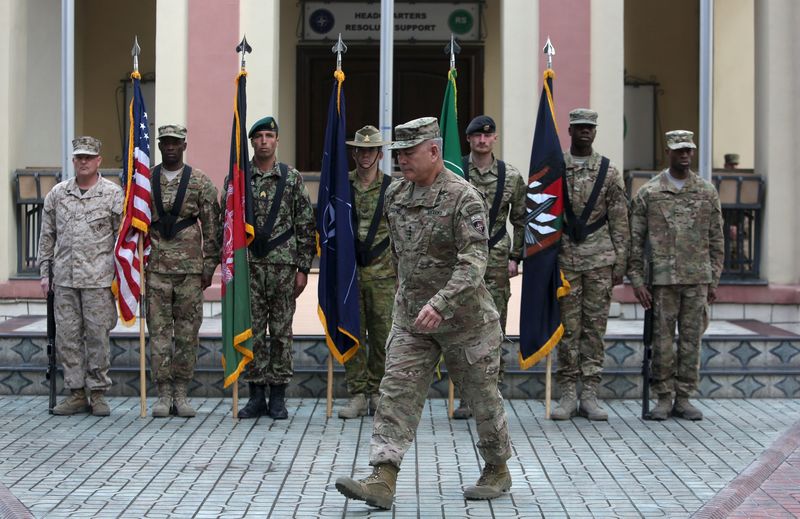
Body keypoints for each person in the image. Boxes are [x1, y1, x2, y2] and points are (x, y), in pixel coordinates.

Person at [335, 117, 512, 510]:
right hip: (413, 318)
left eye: (408, 153)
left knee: (482, 398)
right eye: (397, 154)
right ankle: (383, 477)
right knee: (395, 392)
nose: (400, 162)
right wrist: (410, 298)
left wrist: (442, 302)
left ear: (433, 151)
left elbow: (473, 262)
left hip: (466, 320)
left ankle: (497, 467)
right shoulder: (396, 195)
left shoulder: (463, 198)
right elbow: (401, 254)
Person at [628, 130, 724, 421]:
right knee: (662, 341)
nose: (685, 154)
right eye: (679, 150)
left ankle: (684, 397)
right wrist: (636, 280)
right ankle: (663, 397)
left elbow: (717, 239)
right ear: (668, 152)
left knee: (692, 341)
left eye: (689, 150)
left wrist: (713, 280)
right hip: (662, 281)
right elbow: (636, 240)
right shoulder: (650, 192)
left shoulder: (706, 191)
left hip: (697, 279)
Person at [550, 109, 630, 421]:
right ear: (570, 130)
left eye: (590, 128)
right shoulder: (556, 167)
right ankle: (568, 392)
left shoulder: (608, 171)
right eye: (580, 127)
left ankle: (590, 393)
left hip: (599, 260)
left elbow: (620, 219)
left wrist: (620, 262)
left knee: (595, 329)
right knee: (568, 329)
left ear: (595, 132)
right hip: (566, 259)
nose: (585, 132)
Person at [37, 136, 124, 416]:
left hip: (98, 280)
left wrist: (122, 275)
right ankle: (76, 393)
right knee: (68, 338)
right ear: (73, 161)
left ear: (99, 160)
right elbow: (46, 236)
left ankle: (97, 393)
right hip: (64, 279)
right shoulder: (58, 194)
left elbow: (121, 238)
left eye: (89, 157)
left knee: (98, 337)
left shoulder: (112, 194)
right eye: (79, 157)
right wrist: (44, 273)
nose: (83, 161)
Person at [236, 116, 316, 420]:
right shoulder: (240, 179)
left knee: (281, 332)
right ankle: (256, 395)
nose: (264, 141)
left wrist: (303, 268)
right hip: (250, 269)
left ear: (277, 140)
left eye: (270, 135)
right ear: (252, 142)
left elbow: (305, 225)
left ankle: (279, 396)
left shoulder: (291, 178)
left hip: (283, 267)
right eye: (259, 136)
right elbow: (227, 225)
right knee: (254, 332)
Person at [453, 115, 526, 420]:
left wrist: (516, 256)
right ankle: (466, 398)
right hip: (460, 261)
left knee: (494, 328)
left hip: (496, 259)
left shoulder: (510, 176)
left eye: (488, 136)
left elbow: (522, 218)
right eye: (476, 137)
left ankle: (491, 394)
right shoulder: (454, 171)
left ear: (495, 138)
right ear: (469, 140)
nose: (482, 141)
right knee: (463, 329)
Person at [146, 124, 220, 418]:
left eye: (176, 143)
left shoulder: (200, 182)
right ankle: (163, 393)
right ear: (160, 146)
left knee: (187, 334)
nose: (171, 147)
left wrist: (209, 267)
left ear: (184, 146)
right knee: (160, 334)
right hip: (156, 270)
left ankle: (181, 392)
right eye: (165, 143)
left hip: (190, 271)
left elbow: (212, 229)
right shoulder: (145, 180)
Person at [338, 125, 396, 419]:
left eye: (371, 150)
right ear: (354, 153)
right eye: (360, 150)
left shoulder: (394, 188)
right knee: (353, 334)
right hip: (351, 275)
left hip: (384, 275)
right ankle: (358, 394)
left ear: (380, 154)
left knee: (383, 336)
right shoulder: (341, 185)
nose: (365, 156)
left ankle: (377, 392)